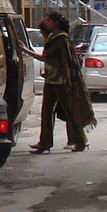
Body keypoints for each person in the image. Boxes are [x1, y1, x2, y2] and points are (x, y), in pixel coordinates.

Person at [21, 11, 94, 153]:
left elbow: (66, 62)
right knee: (46, 112)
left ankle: (80, 140)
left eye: (49, 20)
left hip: (62, 81)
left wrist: (68, 82)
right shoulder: (52, 38)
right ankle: (45, 143)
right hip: (51, 80)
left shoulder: (61, 39)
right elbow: (46, 58)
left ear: (56, 23)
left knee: (69, 111)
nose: (46, 22)